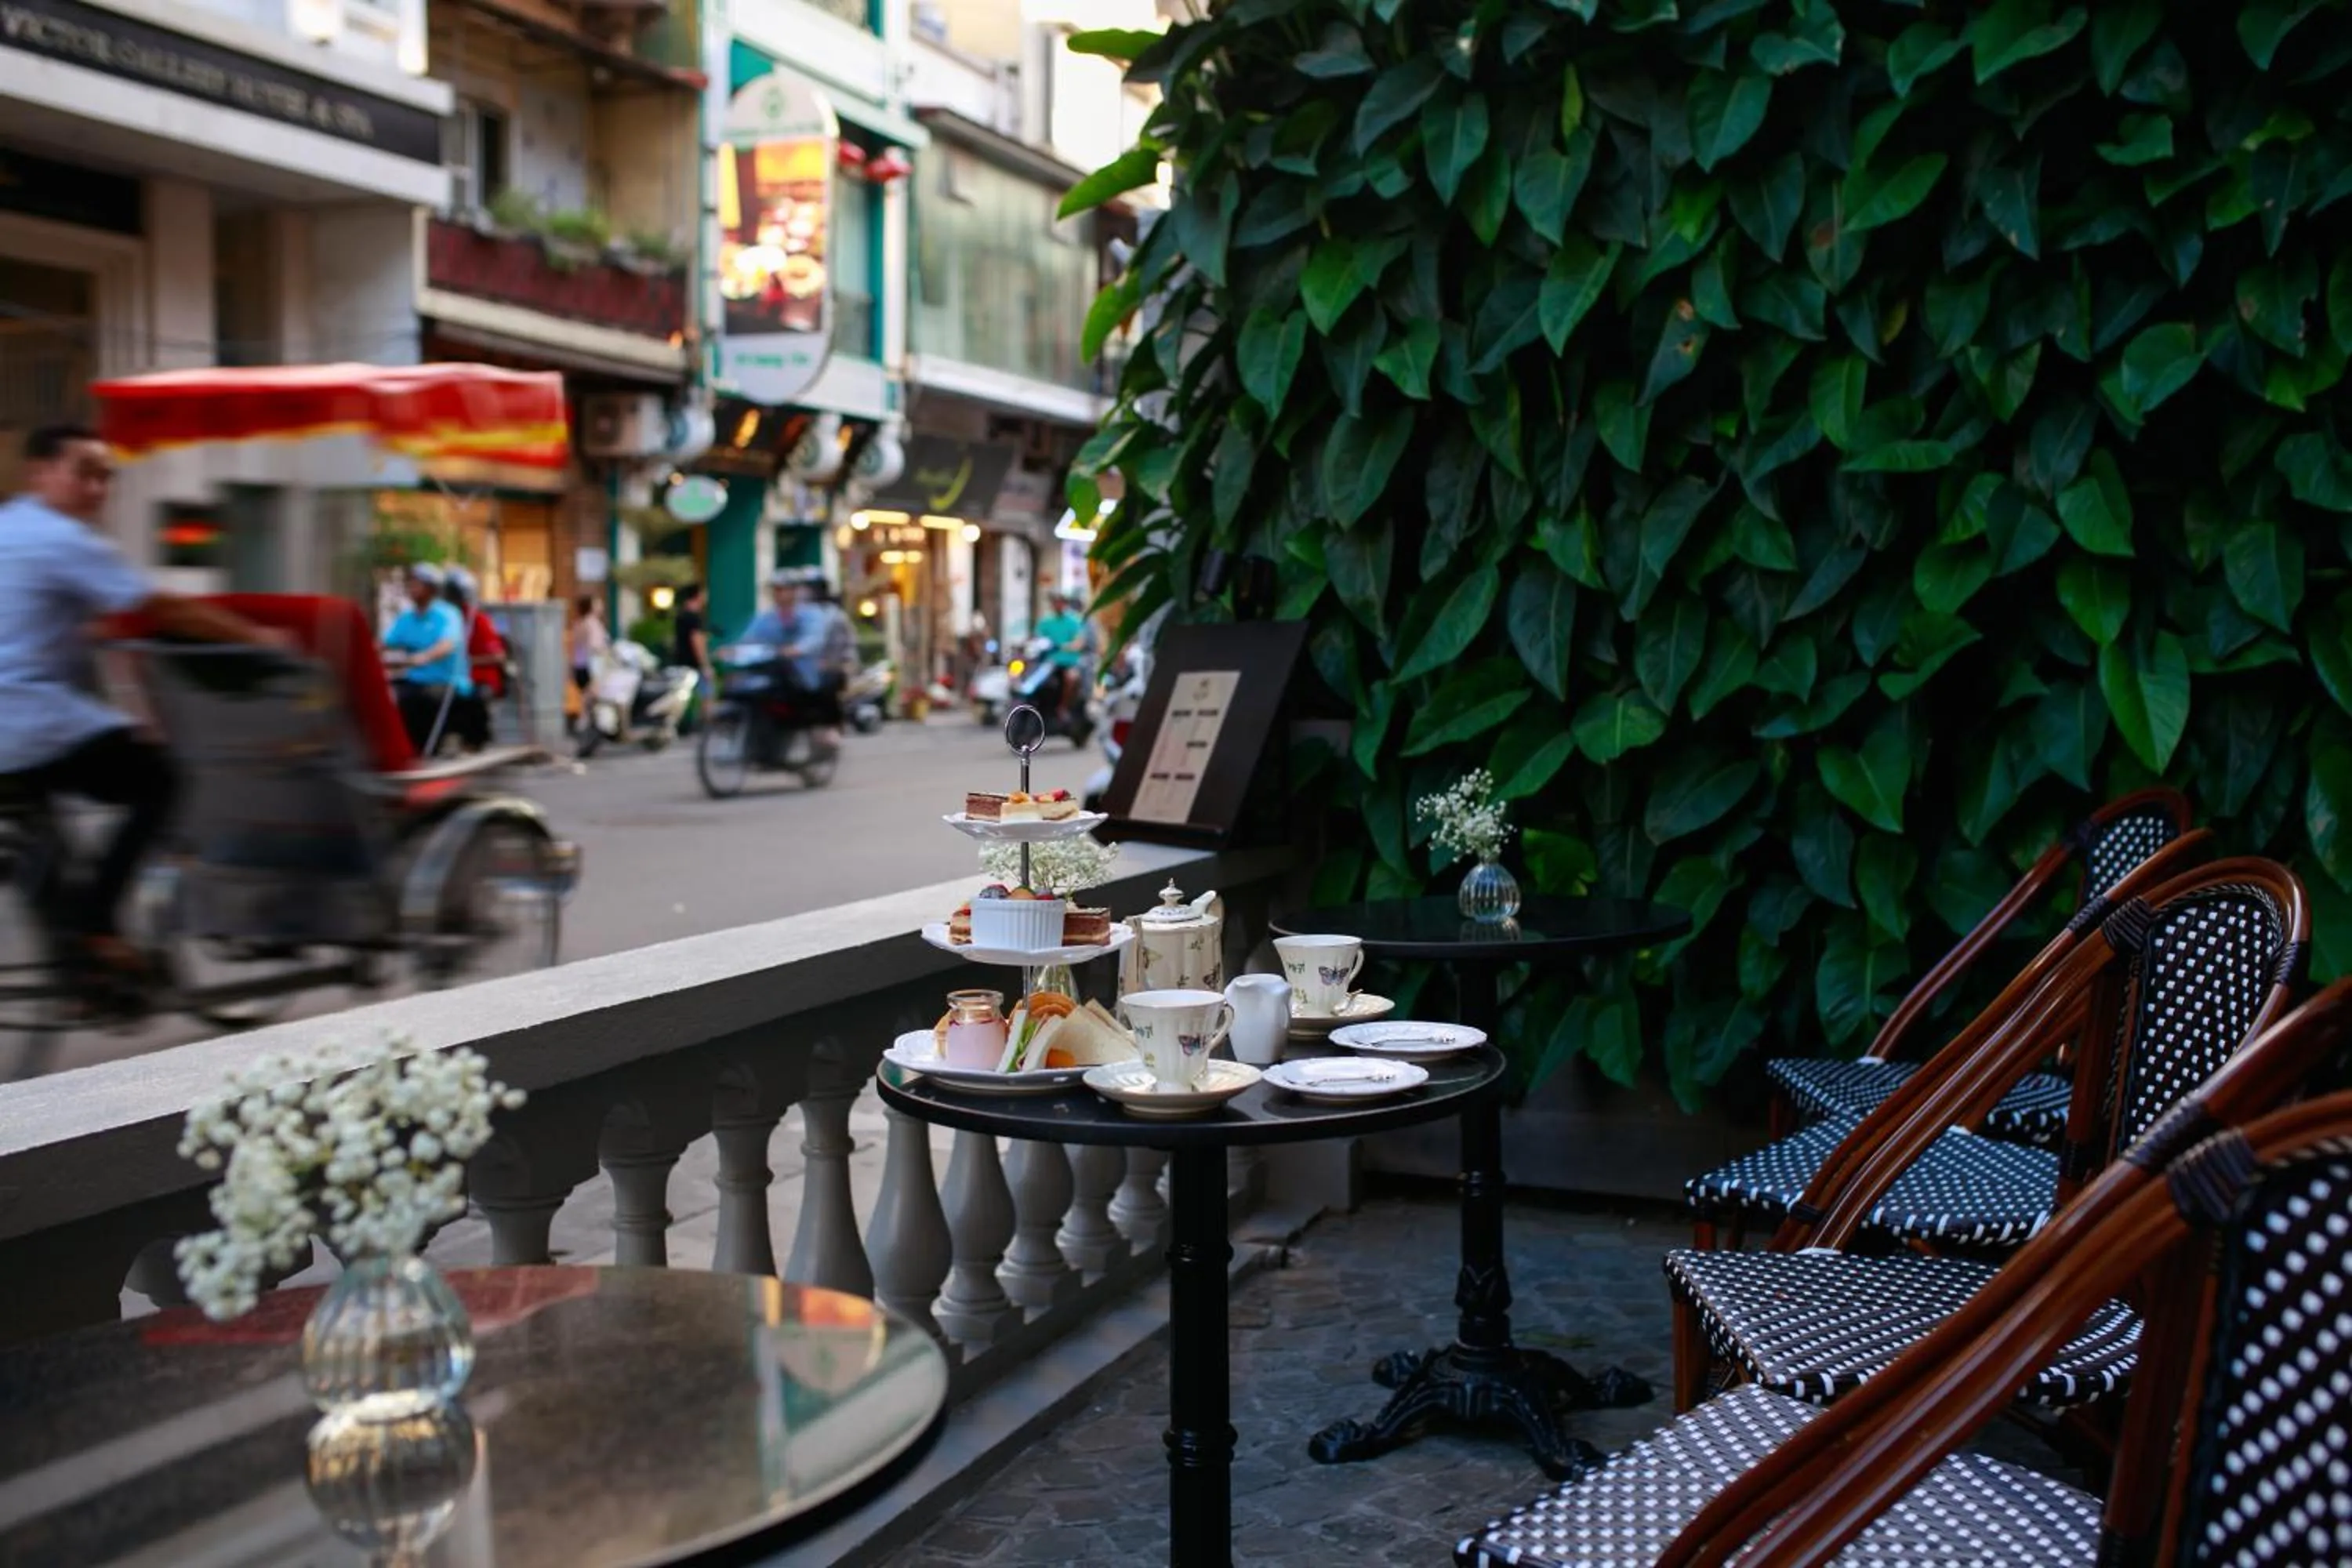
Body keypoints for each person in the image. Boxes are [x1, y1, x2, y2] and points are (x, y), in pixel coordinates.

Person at [0, 423, 280, 982]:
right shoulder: (66, 540)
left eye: (107, 476)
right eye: (85, 473)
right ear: (41, 474)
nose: (99, 488)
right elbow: (163, 609)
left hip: (21, 726)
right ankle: (99, 928)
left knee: (46, 833)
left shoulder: (10, 528)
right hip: (29, 721)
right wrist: (259, 638)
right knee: (159, 780)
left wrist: (83, 634)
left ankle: (77, 972)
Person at [739, 570, 839, 746]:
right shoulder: (767, 617)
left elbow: (813, 640)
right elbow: (750, 638)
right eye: (776, 590)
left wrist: (795, 650)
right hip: (773, 673)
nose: (779, 594)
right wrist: (735, 651)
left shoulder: (811, 614)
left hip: (802, 674)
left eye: (783, 589)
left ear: (793, 591)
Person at [380, 564, 471, 755]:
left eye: (416, 584)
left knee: (420, 699)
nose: (411, 588)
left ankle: (426, 750)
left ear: (431, 589)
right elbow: (385, 642)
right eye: (410, 584)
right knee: (386, 696)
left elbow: (448, 644)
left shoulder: (447, 614)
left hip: (446, 681)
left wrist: (425, 657)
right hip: (415, 679)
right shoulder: (407, 617)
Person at [444, 565, 507, 751]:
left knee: (472, 697)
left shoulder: (477, 620)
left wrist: (468, 661)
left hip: (478, 676)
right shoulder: (442, 618)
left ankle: (473, 740)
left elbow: (498, 656)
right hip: (448, 675)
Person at [1033, 590, 1094, 722]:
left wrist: (1068, 646)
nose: (1058, 605)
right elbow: (1037, 639)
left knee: (1071, 678)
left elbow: (1079, 641)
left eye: (1060, 602)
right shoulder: (1046, 621)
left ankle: (1063, 707)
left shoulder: (1073, 621)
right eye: (1055, 602)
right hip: (1048, 663)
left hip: (1069, 662)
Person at [671, 583, 711, 731]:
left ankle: (682, 725)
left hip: (681, 661)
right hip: (694, 663)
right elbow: (697, 641)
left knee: (683, 695)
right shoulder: (694, 618)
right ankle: (705, 727)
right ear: (698, 596)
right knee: (706, 693)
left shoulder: (681, 616)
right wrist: (705, 664)